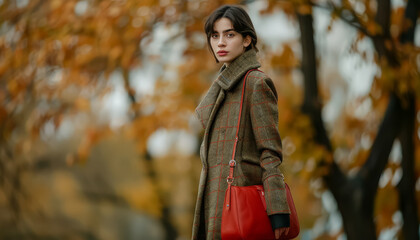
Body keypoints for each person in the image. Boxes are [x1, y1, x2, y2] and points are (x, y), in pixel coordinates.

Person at [192, 5, 291, 240]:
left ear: (247, 40)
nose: (220, 43)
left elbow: (270, 152)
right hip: (214, 205)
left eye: (229, 34)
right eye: (215, 36)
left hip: (240, 210)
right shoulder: (222, 88)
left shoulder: (256, 84)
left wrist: (278, 210)